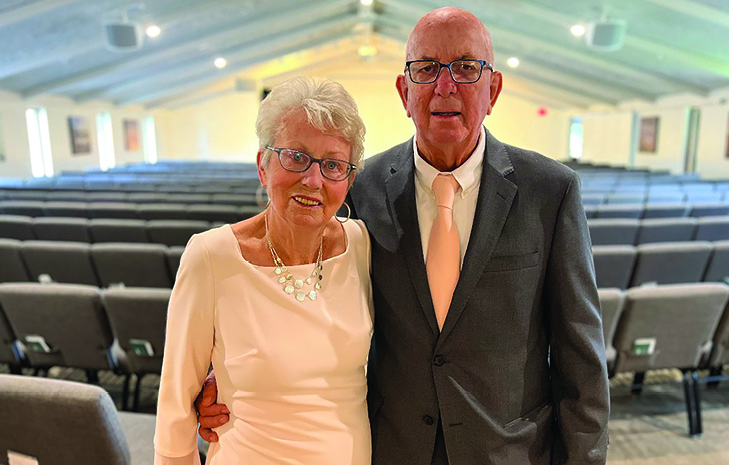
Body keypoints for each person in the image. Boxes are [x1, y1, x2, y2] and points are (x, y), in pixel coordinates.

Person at [197, 7, 610, 464]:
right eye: (427, 68)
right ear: (404, 91)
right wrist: (235, 374)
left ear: (492, 90)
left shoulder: (550, 191)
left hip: (508, 451)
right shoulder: (361, 188)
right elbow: (304, 295)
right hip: (390, 448)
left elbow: (581, 359)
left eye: (466, 68)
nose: (445, 86)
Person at [154, 77, 373, 465]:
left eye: (333, 165)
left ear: (349, 179)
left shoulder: (362, 246)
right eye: (296, 156)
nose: (313, 179)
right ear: (263, 165)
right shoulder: (212, 256)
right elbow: (175, 408)